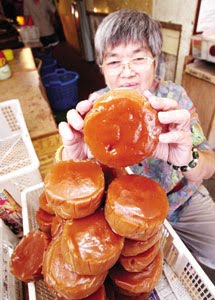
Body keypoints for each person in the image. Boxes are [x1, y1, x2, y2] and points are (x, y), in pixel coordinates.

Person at [57, 10, 215, 269]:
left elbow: (209, 163)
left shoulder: (175, 101)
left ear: (155, 61)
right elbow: (68, 173)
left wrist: (189, 159)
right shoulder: (95, 109)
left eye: (138, 57)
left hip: (182, 202)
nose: (127, 72)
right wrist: (73, 158)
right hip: (122, 212)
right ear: (102, 68)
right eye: (114, 61)